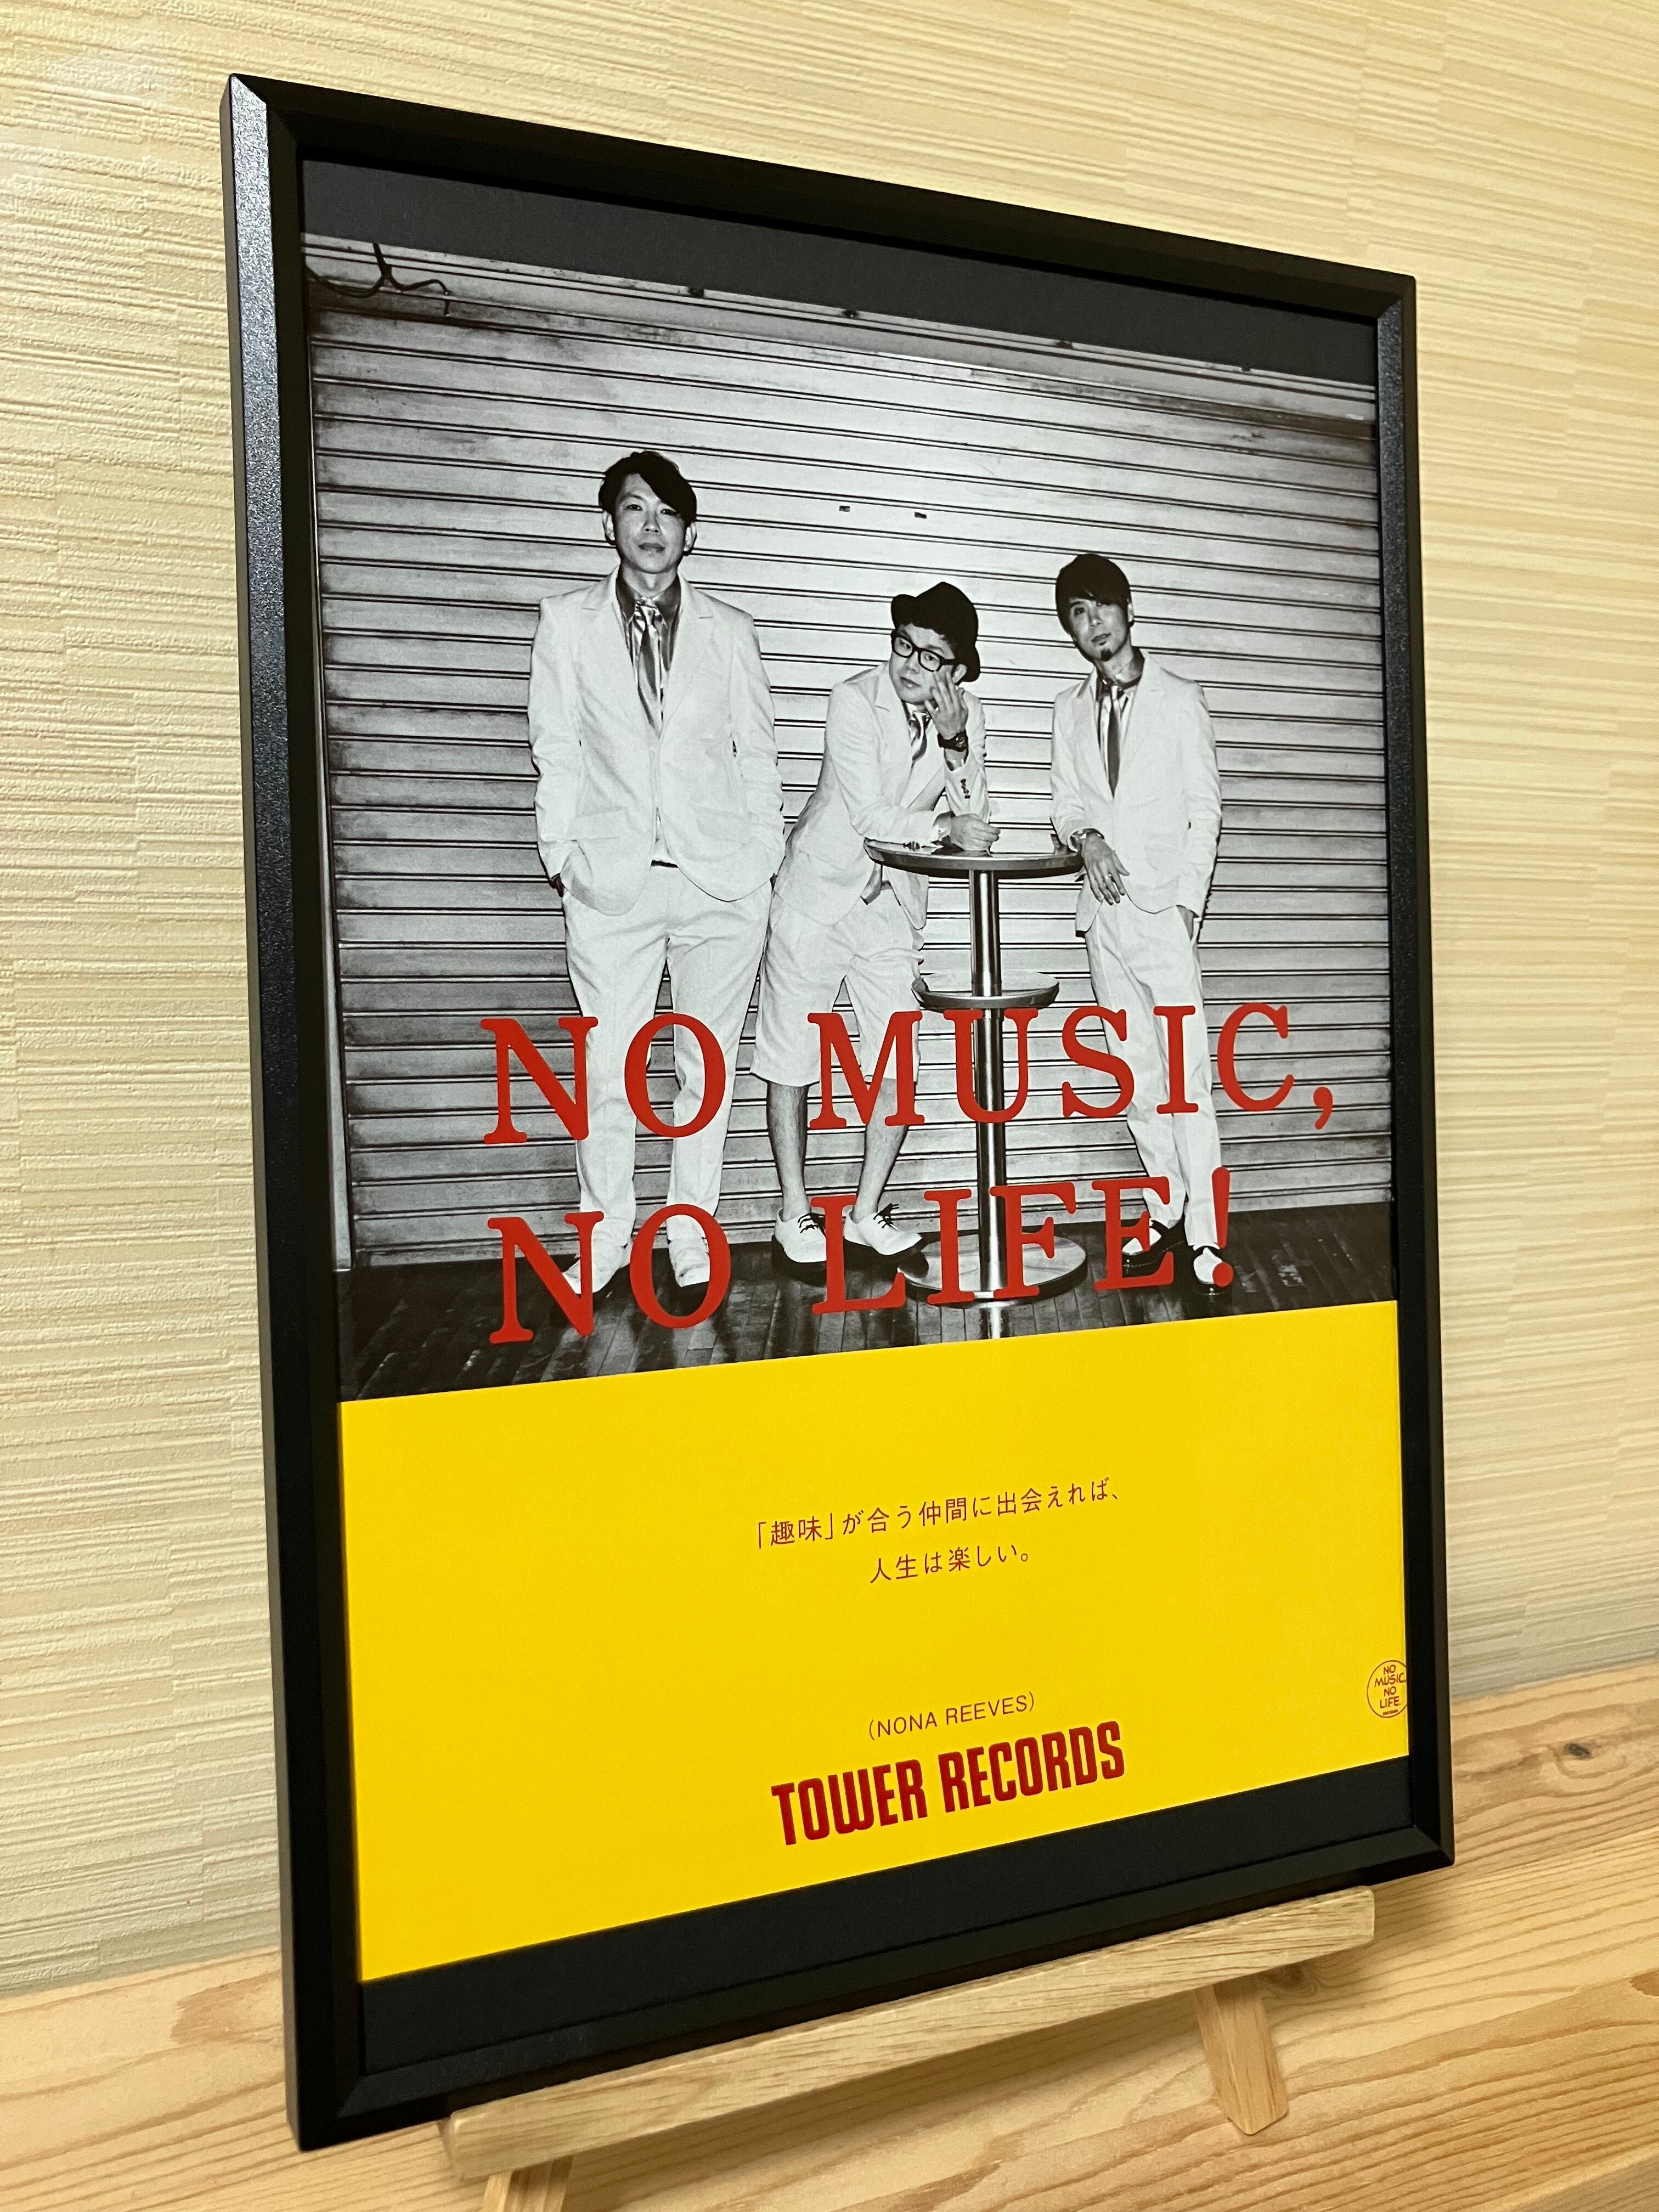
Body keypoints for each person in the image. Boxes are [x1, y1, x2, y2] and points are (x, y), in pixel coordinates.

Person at [526, 450, 784, 1303]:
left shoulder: (729, 630)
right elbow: (556, 748)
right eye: (635, 508)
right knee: (609, 1070)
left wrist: (762, 857)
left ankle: (690, 1233)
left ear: (690, 534)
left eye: (668, 513)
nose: (651, 527)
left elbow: (759, 754)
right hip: (612, 884)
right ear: (609, 524)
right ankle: (605, 1238)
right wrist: (563, 858)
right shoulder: (566, 623)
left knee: (704, 1071)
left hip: (720, 885)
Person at [754, 582, 996, 1273]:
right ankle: (793, 1212)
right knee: (792, 1055)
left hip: (890, 907)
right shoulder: (853, 699)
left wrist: (955, 742)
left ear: (957, 669)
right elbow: (870, 818)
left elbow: (979, 814)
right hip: (816, 894)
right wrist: (944, 828)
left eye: (931, 656)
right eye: (904, 646)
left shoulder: (968, 717)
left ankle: (864, 1213)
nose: (911, 665)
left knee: (896, 1062)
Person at [1047, 554, 1228, 1288]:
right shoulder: (1067, 710)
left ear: (1128, 611)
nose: (1093, 625)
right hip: (1105, 918)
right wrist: (1086, 837)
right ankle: (1166, 1207)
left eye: (1102, 608)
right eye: (1078, 615)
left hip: (1162, 916)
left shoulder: (1180, 700)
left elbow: (1206, 810)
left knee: (1186, 1077)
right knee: (1136, 1076)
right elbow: (1066, 804)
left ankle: (1208, 1235)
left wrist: (1187, 904)